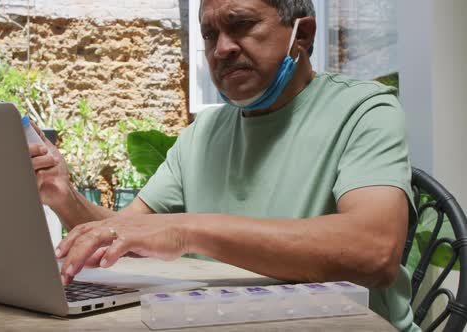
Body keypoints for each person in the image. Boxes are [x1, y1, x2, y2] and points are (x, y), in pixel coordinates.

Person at [28, 0, 418, 330]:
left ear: (303, 34)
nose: (222, 49)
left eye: (242, 25)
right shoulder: (203, 133)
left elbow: (374, 252)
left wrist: (184, 231)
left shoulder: (364, 109)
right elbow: (124, 237)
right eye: (210, 35)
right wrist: (65, 196)